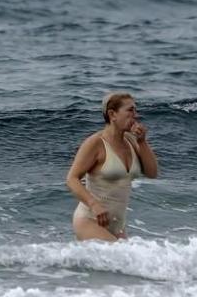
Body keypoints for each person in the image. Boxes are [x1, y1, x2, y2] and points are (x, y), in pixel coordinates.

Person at [66, 92, 159, 241]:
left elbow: (152, 173)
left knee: (132, 262)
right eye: (130, 110)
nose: (135, 115)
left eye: (135, 110)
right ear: (112, 114)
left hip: (117, 226)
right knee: (126, 260)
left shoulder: (132, 141)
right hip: (90, 220)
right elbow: (72, 179)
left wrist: (142, 142)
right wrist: (94, 205)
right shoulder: (95, 143)